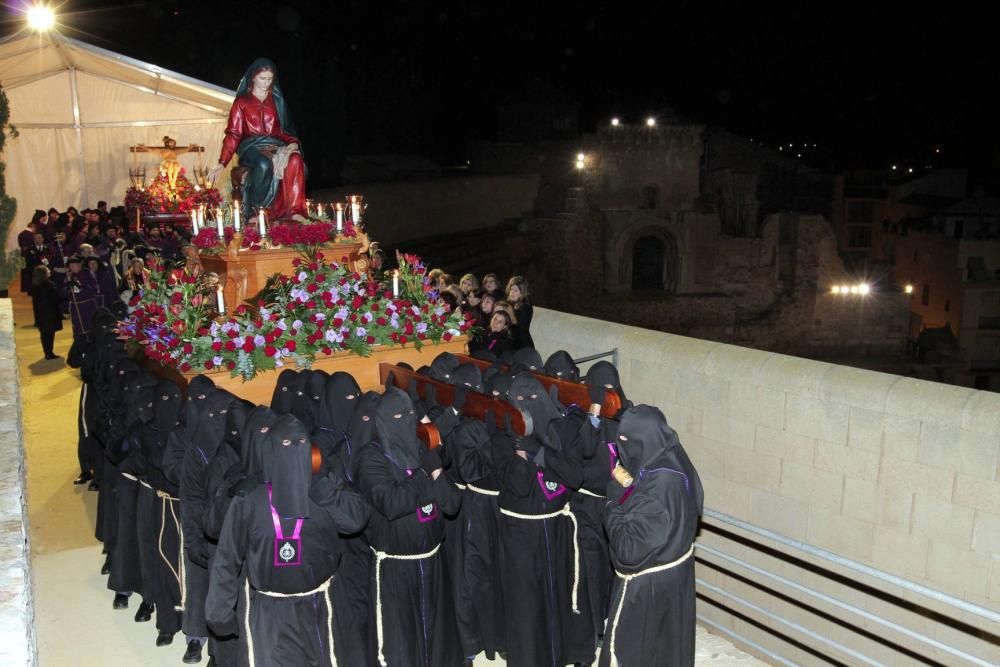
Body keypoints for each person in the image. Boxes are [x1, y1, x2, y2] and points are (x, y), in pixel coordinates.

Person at [207, 414, 369, 666]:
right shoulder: (249, 499)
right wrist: (220, 612)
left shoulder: (323, 488)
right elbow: (227, 558)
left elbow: (356, 520)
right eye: (285, 444)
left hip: (320, 605)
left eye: (300, 443)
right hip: (270, 611)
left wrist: (325, 491)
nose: (293, 450)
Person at [354, 387, 463, 667]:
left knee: (438, 639)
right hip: (396, 568)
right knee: (402, 644)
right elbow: (391, 503)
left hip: (433, 560)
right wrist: (425, 473)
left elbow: (451, 505)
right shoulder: (370, 458)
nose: (406, 421)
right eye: (399, 417)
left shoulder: (420, 447)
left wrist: (437, 470)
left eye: (410, 415)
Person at [598, 405, 703, 667]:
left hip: (648, 586)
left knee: (632, 651)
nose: (624, 448)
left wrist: (612, 501)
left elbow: (627, 550)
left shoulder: (659, 489)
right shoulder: (673, 456)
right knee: (666, 650)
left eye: (627, 442)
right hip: (676, 575)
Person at [208, 58, 307, 222]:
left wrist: (292, 142)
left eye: (269, 79)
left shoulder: (277, 101)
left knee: (295, 159)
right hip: (251, 147)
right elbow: (233, 134)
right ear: (253, 77)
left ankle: (294, 210)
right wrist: (222, 162)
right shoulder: (242, 102)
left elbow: (285, 130)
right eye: (262, 78)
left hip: (276, 144)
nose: (266, 83)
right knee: (263, 163)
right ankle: (257, 211)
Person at [30, 266, 63, 360]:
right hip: (50, 313)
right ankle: (49, 352)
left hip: (40, 314)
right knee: (50, 334)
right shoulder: (49, 285)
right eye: (47, 270)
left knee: (44, 334)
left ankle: (47, 352)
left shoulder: (35, 285)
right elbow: (57, 297)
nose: (49, 271)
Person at [505, 276, 534, 349]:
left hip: (523, 346)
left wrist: (510, 315)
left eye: (515, 290)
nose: (512, 293)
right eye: (511, 289)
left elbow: (521, 329)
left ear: (522, 293)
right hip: (512, 343)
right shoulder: (510, 303)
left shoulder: (526, 307)